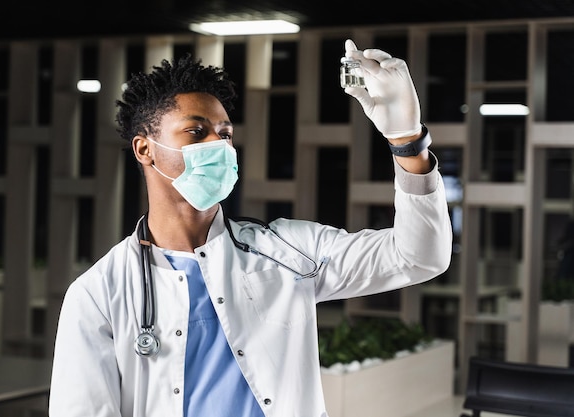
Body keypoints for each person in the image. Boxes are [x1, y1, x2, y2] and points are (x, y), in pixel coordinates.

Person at [48, 39, 453, 417]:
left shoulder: (288, 252)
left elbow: (418, 257)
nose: (218, 144)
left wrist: (408, 142)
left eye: (225, 133)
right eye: (196, 131)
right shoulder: (99, 293)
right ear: (144, 149)